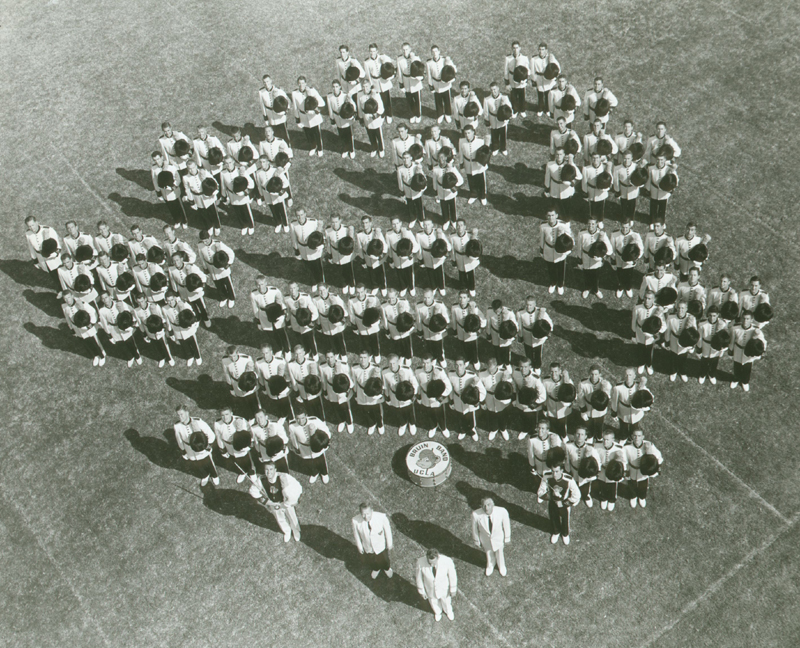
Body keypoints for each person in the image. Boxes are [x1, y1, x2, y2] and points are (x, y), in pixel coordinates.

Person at [249, 462, 303, 543]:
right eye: (266, 470)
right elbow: (252, 491)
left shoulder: (284, 477)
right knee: (280, 518)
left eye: (271, 469)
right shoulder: (261, 480)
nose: (269, 472)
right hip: (274, 504)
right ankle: (287, 531)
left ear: (275, 470)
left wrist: (290, 500)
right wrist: (268, 502)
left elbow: (297, 486)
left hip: (285, 503)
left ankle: (295, 530)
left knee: (292, 516)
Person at [174, 406, 219, 486]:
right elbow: (179, 440)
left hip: (202, 449)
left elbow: (211, 435)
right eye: (178, 415)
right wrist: (183, 451)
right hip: (190, 450)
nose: (180, 417)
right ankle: (205, 476)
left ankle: (214, 475)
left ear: (187, 412)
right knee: (197, 464)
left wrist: (206, 446)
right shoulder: (177, 426)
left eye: (182, 414)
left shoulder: (198, 422)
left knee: (208, 463)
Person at [538, 463, 580, 545]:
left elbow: (577, 494)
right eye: (553, 471)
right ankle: (556, 532)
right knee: (553, 517)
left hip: (564, 503)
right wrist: (550, 496)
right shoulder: (547, 477)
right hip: (553, 502)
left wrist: (566, 502)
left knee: (565, 519)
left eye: (557, 471)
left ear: (562, 470)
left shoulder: (569, 480)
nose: (554, 474)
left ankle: (565, 534)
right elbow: (540, 492)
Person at [97, 292, 141, 367]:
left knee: (130, 342)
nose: (105, 300)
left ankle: (137, 356)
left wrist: (131, 323)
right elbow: (104, 324)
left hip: (125, 326)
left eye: (106, 297)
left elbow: (131, 311)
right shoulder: (102, 311)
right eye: (103, 299)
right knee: (121, 345)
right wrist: (109, 335)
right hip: (114, 330)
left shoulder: (120, 303)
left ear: (110, 296)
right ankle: (129, 357)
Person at [62, 291, 106, 366]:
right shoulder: (65, 307)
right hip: (78, 329)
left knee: (95, 342)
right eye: (65, 299)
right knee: (86, 343)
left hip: (88, 328)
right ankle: (95, 355)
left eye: (69, 297)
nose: (67, 300)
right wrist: (72, 329)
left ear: (72, 296)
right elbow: (68, 318)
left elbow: (93, 312)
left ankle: (102, 356)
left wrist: (91, 323)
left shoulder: (81, 303)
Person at [448, 356, 486, 441]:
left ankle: (472, 429)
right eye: (456, 365)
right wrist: (451, 400)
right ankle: (463, 430)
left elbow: (482, 390)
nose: (458, 367)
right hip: (457, 399)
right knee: (460, 416)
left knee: (470, 416)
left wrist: (476, 400)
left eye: (461, 365)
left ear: (465, 365)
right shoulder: (451, 375)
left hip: (469, 401)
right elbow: (451, 390)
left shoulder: (471, 376)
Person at [288, 410, 331, 483]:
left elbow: (325, 429)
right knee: (309, 462)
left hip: (317, 446)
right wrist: (296, 447)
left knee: (320, 459)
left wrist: (324, 441)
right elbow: (293, 437)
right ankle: (314, 473)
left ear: (306, 415)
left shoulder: (314, 420)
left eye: (302, 418)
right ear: (295, 417)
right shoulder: (292, 425)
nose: (300, 421)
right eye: (298, 418)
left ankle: (324, 473)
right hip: (304, 448)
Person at [168, 252, 210, 327]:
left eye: (177, 260)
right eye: (174, 261)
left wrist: (201, 285)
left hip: (193, 290)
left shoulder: (190, 266)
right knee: (192, 306)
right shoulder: (171, 269)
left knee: (201, 305)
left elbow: (201, 275)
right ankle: (197, 317)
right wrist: (176, 291)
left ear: (181, 259)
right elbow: (173, 281)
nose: (175, 262)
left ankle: (205, 318)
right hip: (182, 291)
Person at [416, 353, 453, 438]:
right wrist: (419, 396)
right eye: (423, 363)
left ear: (432, 362)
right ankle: (433, 427)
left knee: (440, 414)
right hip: (426, 397)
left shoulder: (439, 371)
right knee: (429, 413)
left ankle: (443, 428)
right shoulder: (418, 371)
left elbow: (449, 387)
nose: (425, 365)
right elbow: (418, 384)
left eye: (428, 363)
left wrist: (441, 398)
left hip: (437, 398)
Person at [623, 429, 663, 508]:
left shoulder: (649, 445)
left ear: (643, 437)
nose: (636, 438)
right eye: (634, 436)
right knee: (632, 484)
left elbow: (658, 456)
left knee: (643, 485)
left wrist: (656, 467)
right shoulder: (627, 447)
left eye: (639, 436)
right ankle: (633, 497)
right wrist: (626, 470)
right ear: (632, 437)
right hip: (632, 469)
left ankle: (642, 497)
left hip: (644, 471)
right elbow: (624, 459)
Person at [353, 504, 394, 579]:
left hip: (380, 546)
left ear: (372, 511)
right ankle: (376, 569)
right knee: (372, 560)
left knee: (384, 559)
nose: (366, 516)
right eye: (363, 514)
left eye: (368, 513)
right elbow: (356, 535)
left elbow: (388, 530)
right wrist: (359, 546)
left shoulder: (381, 517)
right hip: (368, 547)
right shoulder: (355, 521)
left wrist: (389, 543)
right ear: (360, 513)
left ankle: (387, 568)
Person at [161, 291, 203, 366]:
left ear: (175, 298)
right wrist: (170, 332)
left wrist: (192, 324)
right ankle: (189, 356)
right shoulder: (164, 309)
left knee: (193, 342)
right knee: (184, 344)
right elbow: (168, 321)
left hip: (187, 328)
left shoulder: (183, 304)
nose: (170, 302)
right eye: (168, 301)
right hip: (176, 329)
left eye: (172, 300)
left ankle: (198, 356)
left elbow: (191, 314)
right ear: (166, 301)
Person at [215, 407, 255, 483]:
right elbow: (219, 437)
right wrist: (222, 449)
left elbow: (249, 432)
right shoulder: (217, 424)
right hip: (229, 446)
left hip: (242, 445)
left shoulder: (240, 420)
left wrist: (249, 444)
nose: (225, 417)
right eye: (222, 415)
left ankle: (251, 472)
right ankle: (243, 472)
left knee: (246, 459)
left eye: (227, 414)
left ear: (231, 413)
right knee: (237, 460)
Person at [416, 548, 457, 621]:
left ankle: (448, 611)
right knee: (433, 601)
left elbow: (452, 575)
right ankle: (438, 612)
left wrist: (453, 589)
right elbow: (419, 578)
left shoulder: (447, 561)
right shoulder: (420, 562)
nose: (431, 565)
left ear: (438, 558)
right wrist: (421, 591)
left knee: (446, 601)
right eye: (429, 563)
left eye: (433, 563)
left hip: (444, 588)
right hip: (430, 589)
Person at [471, 498, 511, 576]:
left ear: (493, 504)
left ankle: (501, 566)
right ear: (481, 506)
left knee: (500, 552)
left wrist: (507, 538)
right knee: (489, 552)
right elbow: (474, 529)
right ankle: (490, 565)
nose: (486, 508)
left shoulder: (502, 511)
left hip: (499, 538)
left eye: (488, 505)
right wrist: (476, 541)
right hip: (485, 540)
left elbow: (506, 525)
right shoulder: (475, 515)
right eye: (484, 505)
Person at [729, 311, 767, 391]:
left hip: (749, 352)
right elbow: (732, 340)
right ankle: (736, 379)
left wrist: (762, 352)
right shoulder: (735, 328)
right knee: (737, 366)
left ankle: (745, 381)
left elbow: (762, 341)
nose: (745, 321)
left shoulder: (755, 330)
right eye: (743, 318)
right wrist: (731, 350)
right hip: (738, 350)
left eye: (747, 319)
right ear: (741, 318)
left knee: (747, 368)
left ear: (751, 320)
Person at [197, 231, 236, 308]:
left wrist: (228, 263)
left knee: (228, 283)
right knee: (218, 284)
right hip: (211, 269)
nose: (205, 242)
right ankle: (223, 297)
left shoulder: (218, 244)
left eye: (206, 240)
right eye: (203, 241)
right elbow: (202, 258)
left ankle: (231, 298)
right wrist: (205, 267)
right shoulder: (200, 245)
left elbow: (231, 253)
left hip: (222, 269)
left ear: (210, 237)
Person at [383, 353, 418, 436]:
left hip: (406, 396)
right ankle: (402, 424)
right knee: (398, 411)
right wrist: (387, 397)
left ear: (398, 362)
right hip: (394, 396)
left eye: (394, 363)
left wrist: (413, 395)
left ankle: (412, 423)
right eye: (390, 363)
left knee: (409, 410)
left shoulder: (407, 370)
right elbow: (386, 386)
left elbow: (414, 383)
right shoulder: (385, 372)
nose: (392, 366)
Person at [479, 357, 514, 441]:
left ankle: (503, 429)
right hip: (489, 397)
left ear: (496, 366)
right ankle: (494, 429)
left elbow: (510, 386)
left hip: (501, 399)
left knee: (502, 415)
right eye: (489, 369)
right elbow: (480, 389)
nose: (491, 372)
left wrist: (506, 379)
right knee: (492, 415)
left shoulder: (503, 372)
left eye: (493, 369)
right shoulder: (481, 374)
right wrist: (482, 402)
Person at [632, 289, 666, 375]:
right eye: (646, 298)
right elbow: (634, 321)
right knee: (640, 349)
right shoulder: (637, 308)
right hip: (640, 334)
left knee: (649, 351)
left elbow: (663, 326)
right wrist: (634, 332)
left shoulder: (657, 310)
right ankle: (641, 363)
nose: (647, 300)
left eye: (649, 299)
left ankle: (649, 364)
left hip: (651, 337)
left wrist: (656, 332)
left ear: (653, 299)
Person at [319, 351, 354, 433]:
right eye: (327, 357)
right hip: (331, 389)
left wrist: (348, 390)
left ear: (335, 356)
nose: (330, 359)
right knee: (335, 406)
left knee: (344, 406)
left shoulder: (343, 365)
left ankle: (349, 422)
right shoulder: (322, 367)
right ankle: (341, 421)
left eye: (331, 357)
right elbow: (323, 380)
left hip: (342, 390)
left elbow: (348, 378)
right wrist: (325, 391)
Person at [290, 209, 325, 291]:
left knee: (317, 267)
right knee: (308, 267)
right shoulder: (293, 225)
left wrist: (321, 245)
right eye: (298, 215)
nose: (300, 217)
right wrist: (296, 249)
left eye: (302, 214)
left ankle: (321, 282)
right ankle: (313, 282)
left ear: (305, 214)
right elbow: (293, 238)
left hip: (313, 249)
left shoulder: (313, 222)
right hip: (302, 249)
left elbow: (319, 234)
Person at [544, 146, 582, 222]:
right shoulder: (550, 164)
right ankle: (556, 219)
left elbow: (579, 176)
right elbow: (547, 177)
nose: (559, 156)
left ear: (564, 155)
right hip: (554, 189)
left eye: (561, 154)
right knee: (555, 206)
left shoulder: (568, 165)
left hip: (566, 190)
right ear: (555, 155)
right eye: (557, 154)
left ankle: (567, 219)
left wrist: (571, 182)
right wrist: (547, 188)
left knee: (566, 206)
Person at [352, 350, 385, 435]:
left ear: (369, 358)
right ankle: (371, 424)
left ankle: (380, 424)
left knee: (376, 410)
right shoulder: (354, 368)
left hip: (373, 393)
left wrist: (379, 394)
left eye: (365, 358)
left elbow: (379, 382)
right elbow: (354, 381)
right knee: (365, 410)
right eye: (361, 358)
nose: (363, 360)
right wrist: (355, 392)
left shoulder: (375, 367)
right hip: (361, 391)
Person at [255, 343, 292, 419]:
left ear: (271, 352)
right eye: (263, 353)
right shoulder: (258, 363)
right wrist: (263, 387)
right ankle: (281, 414)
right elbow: (260, 376)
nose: (265, 356)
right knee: (275, 400)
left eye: (267, 353)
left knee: (284, 400)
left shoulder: (280, 361)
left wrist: (288, 384)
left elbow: (287, 374)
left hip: (280, 384)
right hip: (269, 384)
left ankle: (289, 415)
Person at [577, 217, 611, 299]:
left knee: (595, 276)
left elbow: (609, 249)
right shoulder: (582, 233)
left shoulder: (601, 234)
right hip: (585, 258)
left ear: (597, 224)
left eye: (593, 224)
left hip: (596, 261)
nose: (591, 226)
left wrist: (602, 256)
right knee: (586, 275)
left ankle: (596, 290)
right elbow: (579, 247)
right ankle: (587, 288)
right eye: (589, 223)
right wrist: (579, 260)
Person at [610, 369, 651, 438]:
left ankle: (632, 438)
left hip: (635, 412)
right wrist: (614, 412)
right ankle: (623, 437)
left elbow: (648, 396)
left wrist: (646, 406)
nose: (628, 377)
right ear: (624, 376)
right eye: (626, 375)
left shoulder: (639, 386)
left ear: (634, 376)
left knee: (634, 427)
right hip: (623, 411)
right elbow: (614, 401)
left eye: (630, 375)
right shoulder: (618, 388)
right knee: (623, 426)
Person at [566, 426, 601, 507]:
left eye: (582, 434)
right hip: (573, 470)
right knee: (573, 485)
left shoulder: (590, 447)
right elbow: (567, 459)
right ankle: (575, 498)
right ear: (574, 435)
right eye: (577, 434)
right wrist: (568, 470)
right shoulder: (568, 446)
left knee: (585, 486)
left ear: (585, 436)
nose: (579, 436)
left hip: (586, 472)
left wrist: (595, 471)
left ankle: (586, 496)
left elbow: (597, 460)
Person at [513, 357, 547, 439]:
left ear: (530, 367)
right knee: (523, 416)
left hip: (532, 403)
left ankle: (531, 430)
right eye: (521, 366)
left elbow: (543, 395)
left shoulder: (536, 378)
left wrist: (533, 404)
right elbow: (514, 385)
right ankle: (525, 430)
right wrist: (514, 398)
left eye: (525, 367)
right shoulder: (515, 373)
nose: (523, 369)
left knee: (531, 419)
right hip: (520, 400)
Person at [540, 210, 572, 295]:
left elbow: (570, 239)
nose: (551, 218)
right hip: (548, 250)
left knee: (560, 269)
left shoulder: (563, 225)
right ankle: (553, 283)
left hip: (560, 252)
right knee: (551, 269)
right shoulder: (543, 226)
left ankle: (560, 285)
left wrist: (567, 250)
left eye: (553, 215)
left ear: (557, 215)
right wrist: (542, 250)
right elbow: (542, 239)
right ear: (546, 216)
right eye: (549, 215)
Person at [291, 76, 326, 156]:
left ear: (306, 83)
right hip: (303, 117)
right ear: (297, 84)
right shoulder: (294, 93)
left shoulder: (312, 91)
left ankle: (320, 148)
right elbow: (295, 107)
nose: (301, 85)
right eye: (299, 83)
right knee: (308, 134)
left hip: (313, 117)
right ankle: (313, 147)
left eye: (303, 83)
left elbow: (322, 103)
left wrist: (314, 109)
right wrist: (297, 119)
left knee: (317, 133)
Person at [451, 290, 486, 367]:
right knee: (463, 346)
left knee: (473, 347)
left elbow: (482, 320)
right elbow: (454, 320)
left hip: (471, 332)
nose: (462, 300)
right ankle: (467, 358)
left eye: (464, 297)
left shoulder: (473, 308)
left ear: (468, 299)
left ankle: (475, 360)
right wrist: (454, 330)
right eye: (460, 297)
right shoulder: (454, 307)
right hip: (460, 329)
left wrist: (478, 329)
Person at [516, 296, 552, 373]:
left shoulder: (540, 312)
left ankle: (537, 366)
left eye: (530, 305)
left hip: (538, 338)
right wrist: (521, 336)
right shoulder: (520, 313)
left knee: (538, 353)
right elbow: (519, 326)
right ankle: (530, 366)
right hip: (527, 336)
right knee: (528, 353)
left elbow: (549, 323)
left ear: (535, 304)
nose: (528, 307)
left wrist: (546, 333)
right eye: (527, 304)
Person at [577, 365, 613, 441]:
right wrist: (583, 411)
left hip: (600, 411)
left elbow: (607, 397)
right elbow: (580, 398)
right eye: (592, 374)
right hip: (588, 409)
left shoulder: (606, 384)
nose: (593, 377)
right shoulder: (583, 384)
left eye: (596, 374)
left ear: (600, 374)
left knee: (599, 425)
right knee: (588, 425)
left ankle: (599, 437)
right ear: (588, 373)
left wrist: (604, 388)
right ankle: (590, 437)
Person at [665, 300, 698, 382]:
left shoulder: (691, 318)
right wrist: (667, 341)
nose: (680, 310)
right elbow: (668, 330)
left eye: (683, 308)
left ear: (686, 309)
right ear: (676, 308)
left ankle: (682, 372)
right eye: (679, 308)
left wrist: (692, 345)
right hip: (673, 340)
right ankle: (673, 371)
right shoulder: (670, 317)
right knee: (673, 358)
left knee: (683, 359)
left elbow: (694, 333)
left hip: (685, 342)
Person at [313, 284, 348, 359]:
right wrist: (318, 324)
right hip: (324, 321)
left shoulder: (335, 297)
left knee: (339, 338)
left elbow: (342, 309)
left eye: (324, 290)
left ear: (328, 289)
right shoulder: (315, 300)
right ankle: (336, 352)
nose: (322, 292)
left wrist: (341, 320)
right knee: (330, 338)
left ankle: (343, 353)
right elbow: (316, 313)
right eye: (320, 290)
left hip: (335, 321)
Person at [610, 218, 643, 298]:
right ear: (620, 226)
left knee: (629, 275)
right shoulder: (615, 234)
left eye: (627, 227)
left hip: (630, 260)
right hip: (619, 258)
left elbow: (641, 249)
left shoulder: (635, 235)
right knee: (620, 274)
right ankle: (621, 287)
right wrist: (613, 258)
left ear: (630, 226)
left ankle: (628, 287)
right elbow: (612, 248)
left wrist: (635, 258)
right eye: (623, 227)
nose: (625, 229)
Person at [386, 218, 419, 297]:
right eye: (393, 224)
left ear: (401, 223)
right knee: (400, 273)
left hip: (407, 258)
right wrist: (390, 259)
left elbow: (416, 246)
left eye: (397, 223)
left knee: (409, 273)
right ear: (391, 225)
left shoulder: (407, 232)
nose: (396, 226)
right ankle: (403, 287)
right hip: (396, 257)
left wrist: (410, 253)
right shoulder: (388, 234)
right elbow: (389, 247)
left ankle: (411, 287)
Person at [286, 282, 320, 358]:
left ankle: (314, 353)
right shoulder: (287, 299)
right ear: (288, 290)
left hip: (306, 325)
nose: (292, 291)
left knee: (310, 340)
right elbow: (288, 312)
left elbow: (314, 311)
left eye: (294, 288)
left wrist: (308, 320)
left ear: (298, 288)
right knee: (301, 339)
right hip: (295, 324)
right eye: (290, 289)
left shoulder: (306, 297)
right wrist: (288, 322)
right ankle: (307, 351)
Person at [416, 288, 450, 366]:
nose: (427, 300)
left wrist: (441, 328)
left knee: (438, 344)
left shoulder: (440, 305)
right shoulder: (419, 306)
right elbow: (418, 320)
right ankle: (433, 357)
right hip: (426, 329)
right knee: (429, 344)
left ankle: (441, 357)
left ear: (433, 296)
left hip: (437, 330)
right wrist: (420, 331)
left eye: (429, 297)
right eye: (425, 297)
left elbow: (446, 319)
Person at [595, 430, 627, 511]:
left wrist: (621, 473)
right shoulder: (597, 446)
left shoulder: (619, 448)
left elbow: (623, 462)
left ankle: (612, 499)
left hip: (613, 472)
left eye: (607, 440)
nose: (605, 442)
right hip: (602, 470)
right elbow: (595, 457)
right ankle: (603, 498)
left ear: (613, 439)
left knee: (612, 486)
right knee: (602, 484)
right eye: (604, 439)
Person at [356, 216, 389, 296]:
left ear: (370, 223)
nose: (365, 225)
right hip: (367, 258)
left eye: (366, 222)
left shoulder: (377, 233)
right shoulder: (359, 235)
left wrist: (381, 256)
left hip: (377, 258)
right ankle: (375, 286)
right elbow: (360, 248)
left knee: (380, 272)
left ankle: (383, 286)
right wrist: (362, 259)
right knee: (371, 273)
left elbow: (384, 245)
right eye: (363, 223)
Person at [222, 346, 260, 414]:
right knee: (242, 398)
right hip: (235, 383)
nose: (233, 358)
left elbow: (251, 374)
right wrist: (231, 388)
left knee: (252, 398)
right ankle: (249, 412)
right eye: (230, 357)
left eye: (234, 356)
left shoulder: (246, 359)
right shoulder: (225, 360)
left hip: (247, 382)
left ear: (238, 353)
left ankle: (257, 409)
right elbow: (227, 374)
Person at [251, 410, 290, 474]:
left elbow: (284, 439)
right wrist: (259, 453)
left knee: (283, 472)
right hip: (265, 453)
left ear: (266, 417)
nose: (259, 420)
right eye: (257, 418)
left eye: (261, 417)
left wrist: (281, 450)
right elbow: (256, 442)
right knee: (270, 472)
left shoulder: (276, 425)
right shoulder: (254, 429)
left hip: (278, 452)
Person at [349, 284, 383, 360]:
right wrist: (354, 326)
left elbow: (379, 309)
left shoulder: (373, 298)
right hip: (360, 322)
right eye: (357, 292)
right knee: (365, 341)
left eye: (362, 292)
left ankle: (376, 353)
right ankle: (369, 353)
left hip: (372, 322)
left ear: (365, 291)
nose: (360, 294)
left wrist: (378, 320)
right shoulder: (351, 301)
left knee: (375, 340)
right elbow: (351, 314)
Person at [457, 124, 489, 205]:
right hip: (468, 164)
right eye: (465, 133)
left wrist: (482, 164)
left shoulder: (480, 141)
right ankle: (473, 194)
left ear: (473, 132)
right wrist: (461, 165)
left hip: (478, 164)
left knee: (481, 180)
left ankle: (482, 196)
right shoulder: (461, 141)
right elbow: (461, 154)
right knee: (471, 181)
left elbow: (485, 154)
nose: (467, 135)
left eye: (469, 133)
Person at [364, 43, 395, 123]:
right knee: (378, 100)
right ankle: (382, 113)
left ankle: (389, 114)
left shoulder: (382, 57)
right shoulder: (367, 62)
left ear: (377, 51)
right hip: (375, 83)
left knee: (387, 99)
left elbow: (390, 65)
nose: (372, 53)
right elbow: (368, 76)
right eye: (371, 51)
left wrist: (384, 61)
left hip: (383, 81)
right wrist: (371, 86)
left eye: (374, 51)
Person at [432, 151, 464, 229]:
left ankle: (453, 220)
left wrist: (454, 186)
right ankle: (446, 221)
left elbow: (461, 180)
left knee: (452, 207)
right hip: (441, 192)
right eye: (439, 158)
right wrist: (436, 193)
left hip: (450, 193)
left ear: (446, 158)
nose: (441, 159)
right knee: (444, 207)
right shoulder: (435, 169)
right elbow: (434, 181)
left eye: (443, 157)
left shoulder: (451, 168)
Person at [646, 151, 678, 226]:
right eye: (658, 159)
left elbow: (675, 179)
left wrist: (672, 189)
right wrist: (647, 189)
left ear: (665, 160)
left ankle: (661, 222)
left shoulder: (669, 169)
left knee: (662, 208)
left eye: (661, 160)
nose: (659, 162)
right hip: (654, 191)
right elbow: (649, 180)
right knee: (653, 207)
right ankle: (652, 221)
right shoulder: (651, 168)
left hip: (664, 192)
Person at [542, 362, 574, 439]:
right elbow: (544, 395)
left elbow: (572, 393)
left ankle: (564, 435)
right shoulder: (545, 381)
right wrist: (544, 408)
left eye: (556, 371)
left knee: (562, 422)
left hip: (562, 407)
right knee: (552, 421)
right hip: (551, 405)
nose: (553, 374)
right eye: (551, 371)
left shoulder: (566, 381)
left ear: (560, 371)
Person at [450, 220, 481, 296]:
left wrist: (475, 256)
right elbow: (452, 249)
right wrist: (453, 259)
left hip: (468, 257)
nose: (459, 227)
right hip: (459, 257)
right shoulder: (452, 236)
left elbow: (476, 246)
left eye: (461, 225)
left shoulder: (469, 235)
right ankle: (463, 286)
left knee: (470, 273)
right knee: (461, 273)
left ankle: (471, 288)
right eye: (458, 225)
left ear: (465, 227)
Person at [258, 74, 293, 143]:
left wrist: (286, 111)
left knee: (284, 134)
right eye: (264, 82)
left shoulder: (278, 90)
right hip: (270, 116)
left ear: (271, 81)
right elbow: (262, 106)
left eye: (267, 81)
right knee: (275, 134)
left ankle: (288, 147)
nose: (266, 84)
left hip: (280, 116)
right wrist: (265, 118)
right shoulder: (261, 92)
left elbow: (288, 101)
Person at [356, 79, 386, 158]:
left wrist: (376, 115)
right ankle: (374, 148)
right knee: (370, 135)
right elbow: (359, 107)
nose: (365, 89)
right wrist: (361, 118)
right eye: (363, 87)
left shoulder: (375, 94)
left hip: (375, 119)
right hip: (366, 118)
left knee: (378, 135)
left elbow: (381, 108)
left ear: (370, 86)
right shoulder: (359, 95)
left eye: (367, 86)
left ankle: (381, 149)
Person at [426, 45, 457, 123]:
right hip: (436, 84)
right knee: (438, 101)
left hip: (445, 84)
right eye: (433, 52)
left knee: (447, 100)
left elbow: (453, 69)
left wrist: (449, 62)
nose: (435, 53)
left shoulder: (444, 60)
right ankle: (440, 114)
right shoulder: (429, 63)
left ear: (439, 52)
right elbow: (429, 75)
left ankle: (448, 114)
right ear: (431, 53)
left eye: (436, 51)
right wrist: (431, 85)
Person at [397, 151, 426, 229]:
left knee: (419, 205)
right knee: (410, 206)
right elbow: (400, 181)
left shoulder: (416, 166)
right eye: (404, 158)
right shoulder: (400, 169)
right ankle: (413, 218)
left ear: (411, 158)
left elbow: (422, 177)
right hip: (407, 190)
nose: (405, 160)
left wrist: (422, 188)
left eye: (407, 158)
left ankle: (421, 219)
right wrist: (402, 192)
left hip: (416, 190)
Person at [396, 42, 424, 123]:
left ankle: (418, 115)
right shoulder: (399, 59)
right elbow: (400, 73)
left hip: (415, 83)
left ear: (410, 49)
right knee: (409, 100)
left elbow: (420, 70)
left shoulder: (416, 58)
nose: (405, 51)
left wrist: (412, 57)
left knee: (417, 100)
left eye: (407, 49)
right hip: (406, 82)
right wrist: (401, 84)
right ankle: (412, 114)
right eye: (403, 50)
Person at [582, 152, 612, 225]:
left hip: (601, 192)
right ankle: (592, 221)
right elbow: (584, 182)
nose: (595, 160)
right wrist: (585, 192)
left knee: (601, 206)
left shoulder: (604, 167)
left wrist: (607, 188)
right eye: (593, 158)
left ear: (600, 158)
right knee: (592, 207)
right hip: (591, 191)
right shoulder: (586, 169)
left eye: (597, 158)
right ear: (591, 159)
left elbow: (610, 178)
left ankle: (600, 220)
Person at [483, 82, 512, 156]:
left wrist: (507, 117)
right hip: (493, 120)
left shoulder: (504, 97)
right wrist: (487, 121)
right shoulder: (487, 100)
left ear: (498, 89)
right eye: (492, 90)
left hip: (502, 120)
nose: (493, 91)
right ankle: (495, 148)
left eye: (495, 89)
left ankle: (503, 148)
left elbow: (509, 108)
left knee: (503, 135)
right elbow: (486, 112)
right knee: (494, 135)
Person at [613, 150, 642, 224]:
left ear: (632, 158)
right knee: (624, 204)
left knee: (632, 205)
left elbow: (641, 178)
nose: (626, 161)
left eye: (628, 158)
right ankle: (624, 217)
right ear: (622, 158)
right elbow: (616, 181)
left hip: (633, 189)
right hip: (623, 189)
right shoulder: (617, 168)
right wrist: (617, 190)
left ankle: (631, 218)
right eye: (625, 158)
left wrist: (638, 185)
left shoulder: (636, 167)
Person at [531, 42, 559, 116]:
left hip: (548, 79)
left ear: (546, 50)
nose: (541, 51)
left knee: (547, 95)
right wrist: (534, 80)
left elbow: (556, 67)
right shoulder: (534, 59)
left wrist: (553, 76)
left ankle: (547, 109)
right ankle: (540, 108)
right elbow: (532, 71)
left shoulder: (550, 58)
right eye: (539, 49)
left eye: (543, 49)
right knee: (540, 95)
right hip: (539, 79)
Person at [487, 299, 518, 368]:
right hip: (495, 333)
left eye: (497, 310)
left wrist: (512, 336)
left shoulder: (509, 312)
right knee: (496, 349)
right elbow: (488, 324)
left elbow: (514, 325)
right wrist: (488, 334)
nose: (496, 312)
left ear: (501, 308)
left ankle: (507, 363)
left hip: (505, 334)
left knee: (506, 350)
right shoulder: (489, 311)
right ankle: (499, 362)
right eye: (494, 310)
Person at [503, 41, 530, 117]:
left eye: (517, 48)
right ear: (512, 49)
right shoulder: (508, 58)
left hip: (521, 81)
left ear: (520, 48)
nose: (515, 50)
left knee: (522, 96)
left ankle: (522, 110)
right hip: (512, 79)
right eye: (514, 48)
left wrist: (525, 79)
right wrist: (507, 83)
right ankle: (515, 110)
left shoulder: (524, 58)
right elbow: (506, 71)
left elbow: (528, 70)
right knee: (513, 96)